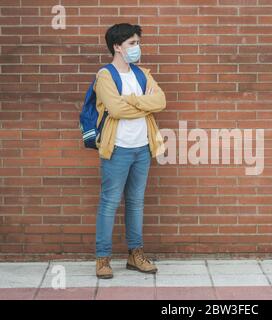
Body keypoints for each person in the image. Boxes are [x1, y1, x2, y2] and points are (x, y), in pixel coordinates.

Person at [93, 23, 166, 279]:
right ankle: (102, 258)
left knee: (135, 203)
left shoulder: (142, 74)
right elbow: (116, 110)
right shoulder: (105, 75)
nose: (137, 48)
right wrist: (143, 103)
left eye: (137, 43)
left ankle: (136, 255)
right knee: (109, 203)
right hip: (117, 149)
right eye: (132, 44)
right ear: (117, 47)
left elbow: (161, 101)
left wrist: (133, 100)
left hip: (142, 148)